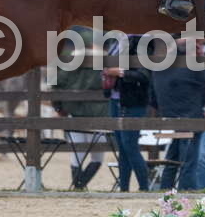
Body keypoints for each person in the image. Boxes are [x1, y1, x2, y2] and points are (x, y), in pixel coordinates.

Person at [149, 36, 205, 190]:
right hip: (191, 119)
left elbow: (152, 99)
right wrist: (200, 58)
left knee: (172, 160)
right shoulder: (191, 68)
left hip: (169, 118)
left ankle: (165, 189)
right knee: (189, 162)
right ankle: (186, 190)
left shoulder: (160, 67)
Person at [52, 27, 107, 189]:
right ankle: (80, 184)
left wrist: (58, 108)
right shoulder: (105, 61)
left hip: (73, 111)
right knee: (97, 157)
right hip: (99, 113)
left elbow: (56, 85)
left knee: (76, 154)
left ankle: (78, 185)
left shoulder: (69, 61)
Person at [104, 35, 151, 192]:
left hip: (132, 101)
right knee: (122, 148)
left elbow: (145, 75)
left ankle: (144, 187)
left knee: (130, 146)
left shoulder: (141, 43)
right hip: (115, 99)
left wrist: (120, 72)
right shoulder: (114, 43)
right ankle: (124, 187)